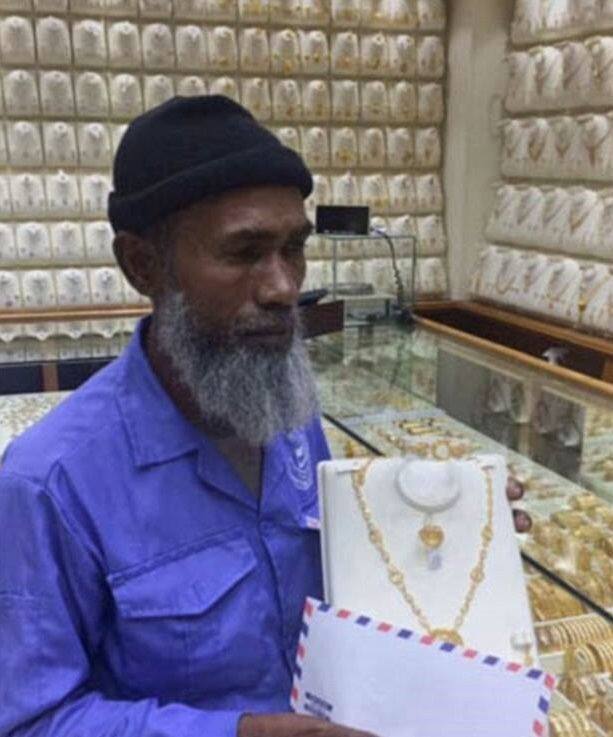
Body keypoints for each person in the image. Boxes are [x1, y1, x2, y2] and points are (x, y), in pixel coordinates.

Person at [0, 96, 529, 737]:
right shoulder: (49, 484)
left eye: (293, 248)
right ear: (143, 265)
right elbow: (34, 719)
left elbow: (339, 589)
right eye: (245, 252)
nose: (283, 287)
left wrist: (441, 529)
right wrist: (238, 733)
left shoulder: (287, 412)